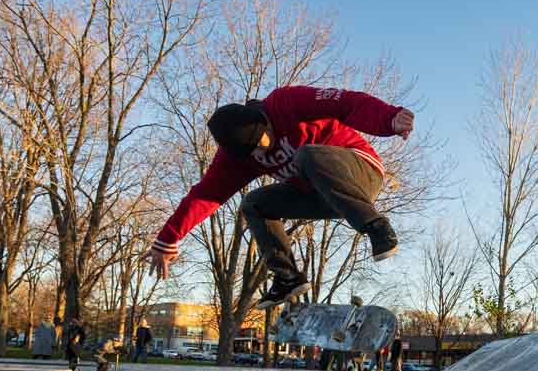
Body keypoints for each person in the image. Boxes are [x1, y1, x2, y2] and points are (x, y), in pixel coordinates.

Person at [143, 86, 414, 308]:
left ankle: (376, 227)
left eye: (261, 144)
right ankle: (287, 277)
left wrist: (387, 119)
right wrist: (168, 239)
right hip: (322, 197)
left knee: (307, 155)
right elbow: (205, 195)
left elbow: (345, 103)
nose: (261, 155)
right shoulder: (236, 160)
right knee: (254, 203)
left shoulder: (286, 103)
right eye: (252, 155)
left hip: (360, 172)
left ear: (264, 123)